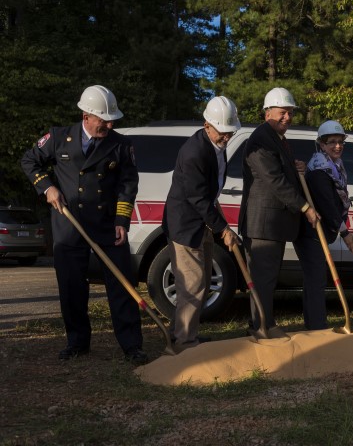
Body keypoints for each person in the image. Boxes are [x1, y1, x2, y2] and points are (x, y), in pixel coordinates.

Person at [20, 85, 147, 364]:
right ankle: (77, 342)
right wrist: (47, 188)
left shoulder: (121, 144)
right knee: (71, 287)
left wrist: (122, 220)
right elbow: (30, 161)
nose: (109, 124)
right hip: (69, 226)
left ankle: (131, 345)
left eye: (112, 119)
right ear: (86, 115)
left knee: (121, 284)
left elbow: (129, 184)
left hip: (106, 226)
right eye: (104, 119)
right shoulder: (57, 137)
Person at [162, 96, 241, 352]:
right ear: (207, 124)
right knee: (192, 284)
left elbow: (210, 193)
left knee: (202, 282)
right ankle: (184, 342)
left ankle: (182, 332)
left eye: (230, 132)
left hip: (202, 222)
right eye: (223, 132)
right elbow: (197, 197)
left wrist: (219, 225)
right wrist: (223, 229)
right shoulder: (194, 152)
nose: (227, 137)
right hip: (185, 225)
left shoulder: (216, 147)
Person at [239, 87, 319, 333]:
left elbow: (281, 172)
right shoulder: (262, 140)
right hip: (263, 223)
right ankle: (261, 327)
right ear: (267, 114)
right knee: (263, 279)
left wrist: (295, 168)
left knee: (268, 277)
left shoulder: (277, 139)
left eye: (290, 113)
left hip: (274, 223)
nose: (287, 117)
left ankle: (264, 324)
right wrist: (305, 206)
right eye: (282, 112)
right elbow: (274, 181)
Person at [300, 120, 353, 329]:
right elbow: (327, 205)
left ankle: (315, 322)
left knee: (315, 277)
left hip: (321, 231)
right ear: (322, 145)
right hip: (312, 232)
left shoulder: (335, 165)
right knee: (316, 278)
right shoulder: (318, 169)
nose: (338, 146)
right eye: (332, 142)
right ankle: (317, 325)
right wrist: (345, 232)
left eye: (340, 141)